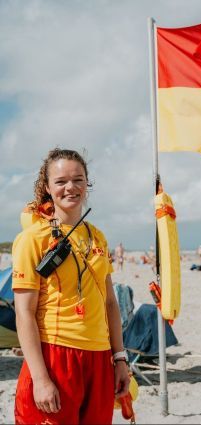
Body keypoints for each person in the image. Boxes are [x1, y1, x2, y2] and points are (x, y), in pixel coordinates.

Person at [12, 148, 130, 424]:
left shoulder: (97, 237)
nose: (70, 187)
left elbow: (110, 303)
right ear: (47, 187)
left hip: (100, 358)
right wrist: (40, 379)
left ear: (87, 183)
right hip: (55, 354)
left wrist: (120, 359)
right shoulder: (33, 238)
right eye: (61, 181)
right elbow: (24, 313)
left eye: (78, 179)